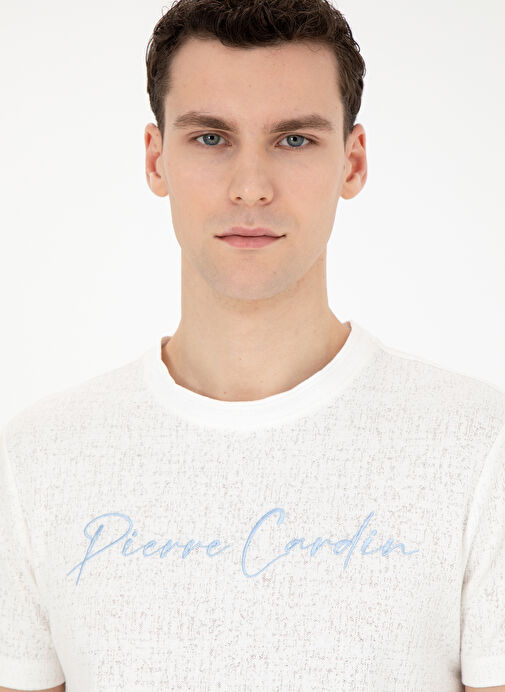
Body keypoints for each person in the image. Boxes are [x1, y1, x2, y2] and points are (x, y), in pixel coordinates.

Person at [1, 0, 504, 690]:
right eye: (211, 138)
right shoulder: (36, 461)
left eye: (293, 140)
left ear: (353, 162)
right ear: (155, 159)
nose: (250, 188)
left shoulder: (478, 447)